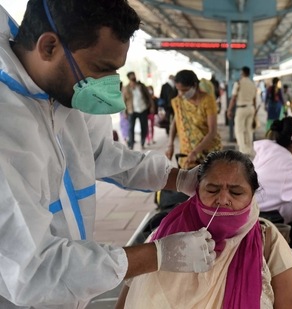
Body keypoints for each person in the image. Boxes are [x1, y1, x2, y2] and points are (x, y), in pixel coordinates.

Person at [0, 1, 216, 308]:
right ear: (49, 47)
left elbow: (102, 153)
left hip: (69, 288)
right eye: (102, 69)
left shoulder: (63, 92)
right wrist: (159, 254)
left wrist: (180, 178)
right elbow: (33, 270)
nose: (109, 86)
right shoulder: (7, 127)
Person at [116, 150, 292, 309]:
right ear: (196, 191)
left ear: (252, 197)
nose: (223, 199)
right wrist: (160, 255)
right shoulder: (164, 240)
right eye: (212, 190)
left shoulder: (267, 242)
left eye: (236, 192)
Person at [166, 70, 222, 168]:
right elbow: (175, 123)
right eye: (178, 90)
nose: (181, 94)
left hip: (207, 151)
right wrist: (170, 145)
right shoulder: (179, 102)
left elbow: (212, 132)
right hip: (187, 153)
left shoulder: (207, 100)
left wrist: (196, 152)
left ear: (194, 85)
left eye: (184, 90)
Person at [227, 66, 257, 155]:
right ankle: (249, 150)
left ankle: (243, 150)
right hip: (251, 108)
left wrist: (229, 110)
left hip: (241, 108)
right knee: (249, 130)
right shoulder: (252, 84)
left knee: (239, 130)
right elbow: (255, 99)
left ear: (242, 73)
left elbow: (233, 98)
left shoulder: (239, 83)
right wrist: (255, 111)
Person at [123, 71, 152, 150]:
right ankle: (131, 145)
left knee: (144, 127)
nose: (133, 78)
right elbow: (123, 101)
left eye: (134, 76)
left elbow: (148, 96)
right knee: (131, 128)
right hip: (132, 111)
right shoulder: (126, 88)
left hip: (143, 109)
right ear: (129, 78)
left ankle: (142, 143)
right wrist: (124, 112)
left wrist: (151, 106)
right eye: (132, 77)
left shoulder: (141, 86)